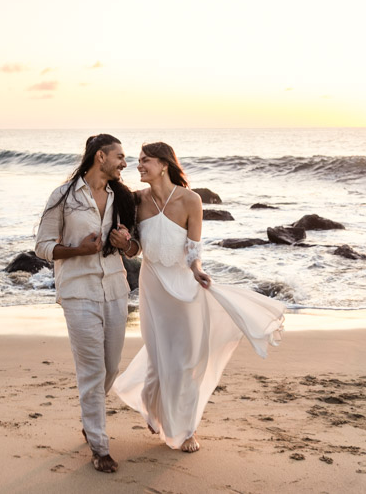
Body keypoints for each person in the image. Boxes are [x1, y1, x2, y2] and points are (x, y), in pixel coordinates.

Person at [112, 142, 285, 452]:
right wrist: (125, 245)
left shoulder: (191, 200)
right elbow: (136, 248)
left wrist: (197, 269)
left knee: (188, 360)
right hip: (153, 286)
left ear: (164, 164)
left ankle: (186, 428)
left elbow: (194, 249)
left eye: (145, 161)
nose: (139, 166)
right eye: (137, 161)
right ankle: (153, 406)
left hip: (185, 287)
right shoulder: (137, 201)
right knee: (157, 356)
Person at [35, 134, 139, 473]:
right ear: (100, 157)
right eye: (120, 156)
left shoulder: (120, 197)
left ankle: (89, 416)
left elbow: (135, 247)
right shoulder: (63, 197)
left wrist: (125, 244)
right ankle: (99, 445)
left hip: (115, 288)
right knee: (92, 371)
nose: (125, 163)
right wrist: (80, 250)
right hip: (78, 291)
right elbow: (43, 247)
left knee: (110, 368)